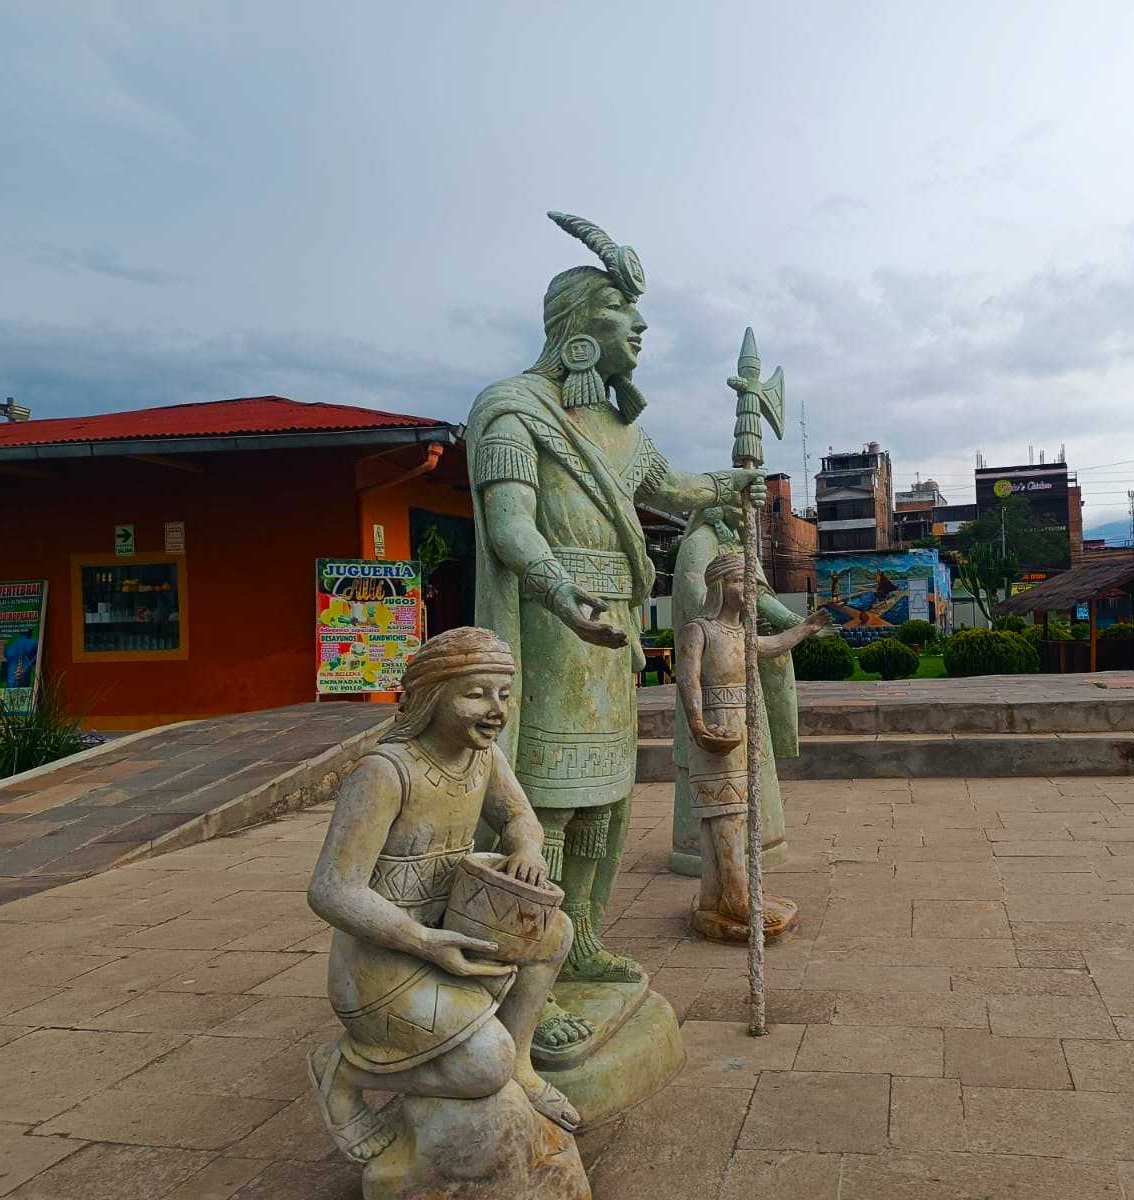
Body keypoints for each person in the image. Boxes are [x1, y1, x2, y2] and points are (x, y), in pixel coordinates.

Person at [467, 211, 765, 1054]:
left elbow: (673, 487)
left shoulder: (623, 432)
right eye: (618, 314)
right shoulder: (512, 412)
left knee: (604, 797)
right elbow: (510, 526)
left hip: (616, 634)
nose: (639, 329)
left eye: (638, 316)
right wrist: (564, 592)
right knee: (549, 803)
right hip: (554, 625)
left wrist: (732, 485)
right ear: (575, 330)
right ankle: (530, 963)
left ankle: (584, 940)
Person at [305, 627, 579, 1163]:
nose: (496, 709)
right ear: (432, 696)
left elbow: (518, 815)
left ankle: (522, 1063)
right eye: (475, 694)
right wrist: (422, 941)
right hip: (383, 964)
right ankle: (343, 1073)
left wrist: (526, 848)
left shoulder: (484, 757)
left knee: (554, 931)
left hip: (455, 926)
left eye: (504, 694)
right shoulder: (386, 773)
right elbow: (332, 890)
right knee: (485, 1066)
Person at [675, 554, 828, 940]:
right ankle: (737, 898)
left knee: (729, 813)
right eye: (739, 583)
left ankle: (714, 895)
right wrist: (697, 724)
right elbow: (688, 680)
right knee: (726, 814)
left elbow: (772, 644)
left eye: (750, 584)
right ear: (718, 587)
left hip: (741, 728)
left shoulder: (741, 634)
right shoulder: (699, 630)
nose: (746, 592)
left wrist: (806, 628)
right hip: (715, 731)